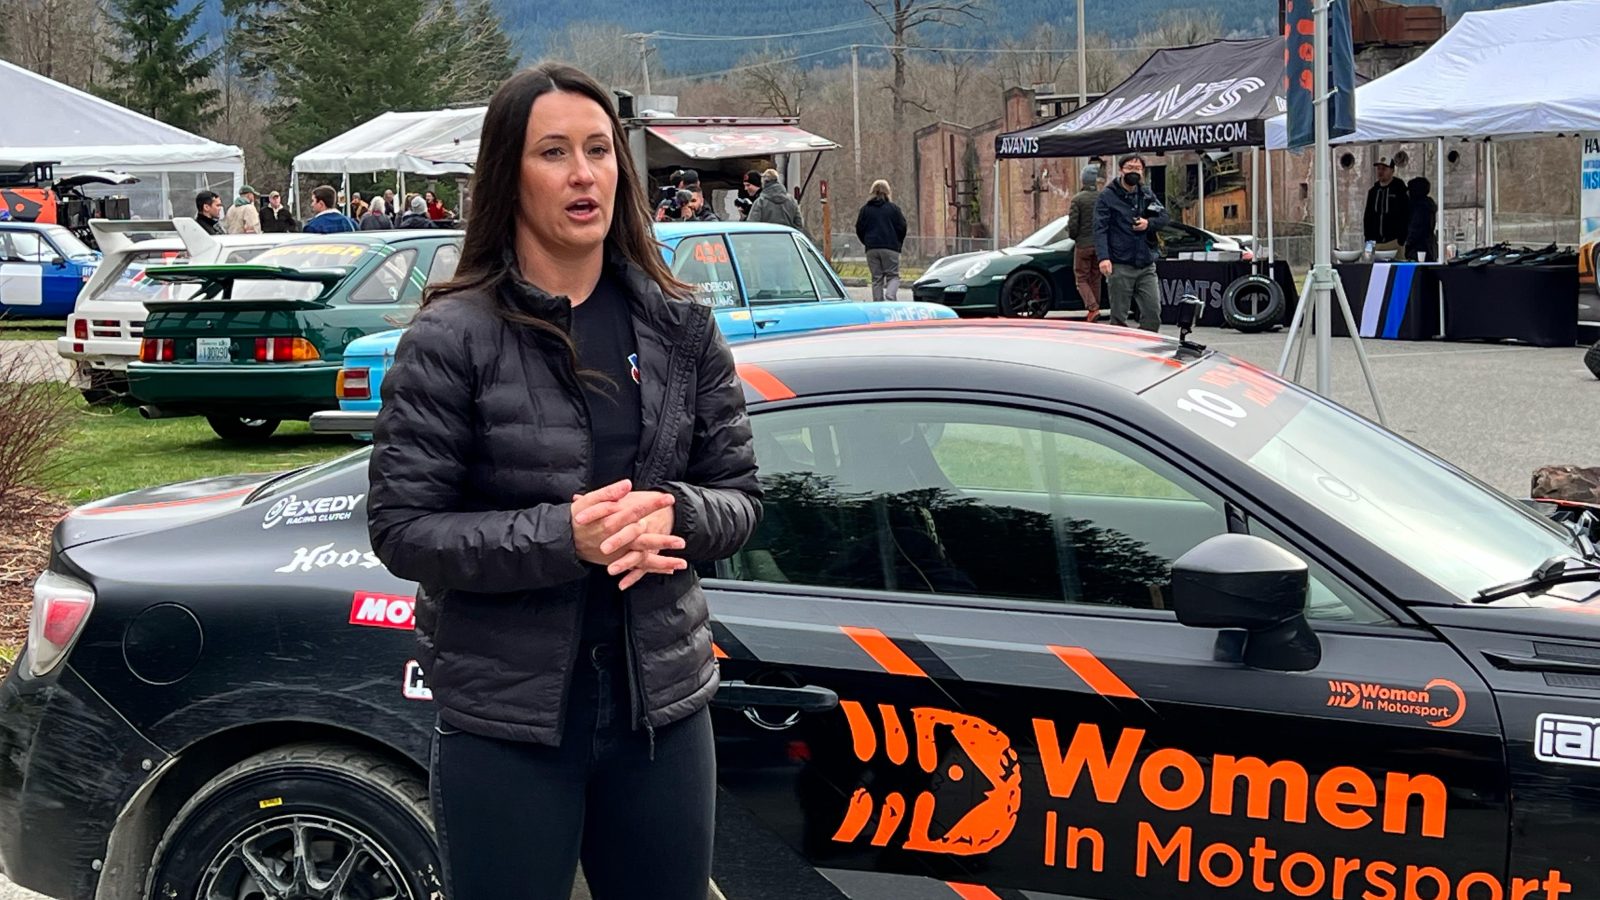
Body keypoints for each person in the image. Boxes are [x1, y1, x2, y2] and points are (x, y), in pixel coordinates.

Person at [366, 61, 762, 900]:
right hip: (508, 721)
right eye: (554, 152)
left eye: (598, 149)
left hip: (660, 712)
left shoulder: (681, 325)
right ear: (508, 176)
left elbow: (742, 498)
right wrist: (562, 537)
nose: (583, 173)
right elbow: (403, 529)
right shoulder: (452, 336)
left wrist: (677, 515)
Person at [1094, 153, 1170, 332]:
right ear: (1121, 170)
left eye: (1137, 168)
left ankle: (1146, 343)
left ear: (1143, 171)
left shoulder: (1146, 193)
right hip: (1120, 264)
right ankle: (1120, 346)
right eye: (1129, 168)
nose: (1133, 172)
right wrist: (1103, 258)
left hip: (1145, 263)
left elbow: (1164, 217)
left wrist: (1148, 223)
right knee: (1119, 317)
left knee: (1153, 313)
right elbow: (1099, 229)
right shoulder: (1107, 196)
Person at [854, 179, 907, 302]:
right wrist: (897, 243)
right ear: (888, 192)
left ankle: (878, 303)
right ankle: (890, 295)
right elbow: (902, 227)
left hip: (872, 248)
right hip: (890, 247)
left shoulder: (865, 210)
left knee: (876, 278)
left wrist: (867, 242)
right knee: (893, 276)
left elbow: (859, 228)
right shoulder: (894, 209)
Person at [1363, 156, 1410, 252]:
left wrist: (1402, 240)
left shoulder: (1399, 190)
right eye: (1378, 169)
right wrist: (1368, 243)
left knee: (1397, 262)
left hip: (1395, 242)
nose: (1380, 172)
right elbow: (1368, 218)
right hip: (1375, 243)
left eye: (1384, 169)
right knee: (1372, 261)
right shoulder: (1373, 192)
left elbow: (1406, 215)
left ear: (1392, 170)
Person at [748, 168, 805, 235]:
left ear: (763, 182)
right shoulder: (792, 201)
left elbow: (752, 226)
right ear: (777, 180)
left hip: (766, 239)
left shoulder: (760, 202)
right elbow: (799, 224)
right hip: (787, 239)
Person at [1405, 176, 1437, 262]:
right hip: (1429, 247)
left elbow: (1415, 229)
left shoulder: (1419, 208)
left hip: (1417, 250)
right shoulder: (1428, 206)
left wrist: (1405, 244)